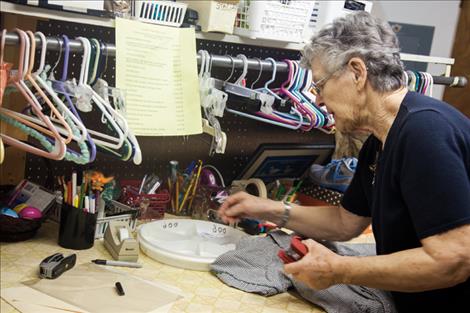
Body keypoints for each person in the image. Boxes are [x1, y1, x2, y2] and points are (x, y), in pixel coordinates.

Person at [218, 12, 470, 312]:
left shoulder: (424, 132)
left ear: (357, 73)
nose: (318, 101)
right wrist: (267, 209)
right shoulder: (379, 141)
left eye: (320, 85)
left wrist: (340, 269)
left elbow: (454, 259)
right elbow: (344, 223)